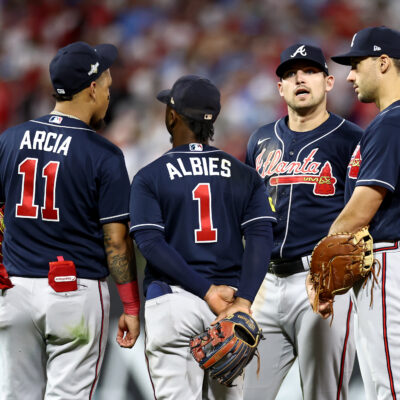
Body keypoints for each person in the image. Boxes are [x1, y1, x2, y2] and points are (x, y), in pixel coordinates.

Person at [0, 41, 140, 399]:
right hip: (72, 297)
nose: (109, 95)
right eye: (107, 87)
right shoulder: (103, 154)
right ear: (92, 88)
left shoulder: (9, 140)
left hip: (14, 293)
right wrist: (130, 305)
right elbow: (116, 241)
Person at [129, 74, 276, 400]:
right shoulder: (245, 174)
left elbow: (150, 244)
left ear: (172, 116)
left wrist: (205, 291)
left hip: (174, 299)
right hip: (229, 306)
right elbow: (261, 238)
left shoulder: (149, 176)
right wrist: (243, 302)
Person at [243, 43, 363, 400]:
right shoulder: (260, 139)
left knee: (323, 394)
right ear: (279, 87)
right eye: (290, 73)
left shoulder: (351, 139)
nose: (300, 78)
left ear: (328, 82)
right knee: (245, 392)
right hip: (265, 283)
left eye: (309, 71)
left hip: (325, 279)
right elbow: (249, 215)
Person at [307, 26, 400, 400]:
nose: (349, 76)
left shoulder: (390, 123)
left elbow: (363, 208)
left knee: (389, 383)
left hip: (388, 265)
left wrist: (319, 275)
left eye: (356, 65)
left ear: (383, 63)